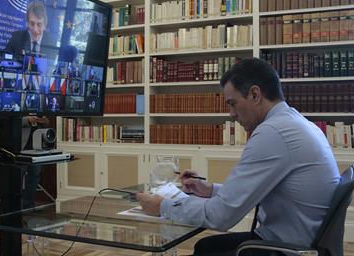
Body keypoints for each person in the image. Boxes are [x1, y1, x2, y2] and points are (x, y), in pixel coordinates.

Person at [137, 58, 340, 256]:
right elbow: (259, 192)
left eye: (233, 104)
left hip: (286, 249)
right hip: (300, 242)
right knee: (207, 247)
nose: (231, 114)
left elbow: (220, 217)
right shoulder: (294, 122)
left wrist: (161, 206)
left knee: (206, 249)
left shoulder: (273, 133)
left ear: (254, 94)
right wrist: (210, 190)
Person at [21, 115, 50, 209]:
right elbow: (12, 121)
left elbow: (47, 122)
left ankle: (28, 204)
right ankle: (15, 205)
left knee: (34, 176)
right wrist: (27, 120)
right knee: (17, 177)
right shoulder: (19, 105)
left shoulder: (40, 107)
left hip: (37, 148)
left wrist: (44, 121)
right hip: (22, 149)